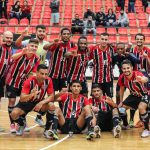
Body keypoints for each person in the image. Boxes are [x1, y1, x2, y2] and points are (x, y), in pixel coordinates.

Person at [15, 25, 49, 126]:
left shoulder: (46, 44)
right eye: (40, 31)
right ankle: (22, 119)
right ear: (36, 32)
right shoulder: (29, 42)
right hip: (30, 74)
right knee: (27, 98)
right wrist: (22, 36)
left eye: (43, 31)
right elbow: (17, 44)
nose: (41, 33)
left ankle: (38, 117)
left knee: (41, 98)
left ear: (45, 33)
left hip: (41, 74)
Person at [6, 39, 40, 133]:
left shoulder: (36, 58)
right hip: (12, 80)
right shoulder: (21, 51)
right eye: (32, 46)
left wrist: (32, 83)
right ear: (28, 46)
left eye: (35, 47)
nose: (33, 48)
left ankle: (22, 122)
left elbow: (33, 72)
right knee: (12, 101)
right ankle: (12, 123)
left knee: (23, 101)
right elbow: (12, 57)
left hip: (23, 82)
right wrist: (22, 53)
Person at [10, 64, 55, 136]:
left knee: (52, 105)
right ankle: (22, 123)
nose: (44, 76)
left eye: (46, 74)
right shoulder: (29, 81)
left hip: (39, 102)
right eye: (42, 73)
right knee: (13, 114)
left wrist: (41, 103)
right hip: (26, 102)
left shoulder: (48, 80)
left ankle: (47, 130)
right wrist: (31, 95)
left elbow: (52, 96)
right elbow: (22, 98)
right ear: (37, 73)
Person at [118, 59, 150, 138]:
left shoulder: (137, 74)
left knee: (141, 107)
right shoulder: (122, 77)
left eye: (128, 68)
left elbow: (145, 79)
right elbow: (121, 90)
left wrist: (142, 79)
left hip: (145, 94)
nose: (126, 70)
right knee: (121, 108)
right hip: (134, 95)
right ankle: (126, 125)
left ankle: (147, 130)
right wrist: (121, 101)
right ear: (122, 69)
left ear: (132, 68)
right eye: (124, 69)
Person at [113, 43, 140, 128]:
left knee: (135, 99)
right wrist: (121, 101)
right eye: (118, 49)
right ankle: (122, 118)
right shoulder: (115, 56)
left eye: (122, 49)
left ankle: (132, 119)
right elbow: (111, 63)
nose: (120, 50)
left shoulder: (129, 55)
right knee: (118, 96)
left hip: (134, 80)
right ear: (116, 50)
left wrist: (129, 55)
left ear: (125, 49)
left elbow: (137, 61)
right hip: (124, 79)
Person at [44, 28, 76, 92]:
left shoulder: (72, 44)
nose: (66, 35)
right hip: (52, 75)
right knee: (51, 95)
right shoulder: (56, 43)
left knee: (63, 95)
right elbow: (45, 47)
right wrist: (53, 43)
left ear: (70, 35)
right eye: (64, 34)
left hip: (64, 75)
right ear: (61, 35)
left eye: (68, 34)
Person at [89, 32, 114, 98]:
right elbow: (87, 58)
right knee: (95, 98)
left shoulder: (112, 49)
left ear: (108, 40)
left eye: (106, 39)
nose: (104, 41)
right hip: (96, 79)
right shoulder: (94, 49)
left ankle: (109, 108)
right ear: (99, 39)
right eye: (102, 39)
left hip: (108, 79)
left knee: (109, 98)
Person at [0, 31, 13, 132]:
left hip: (2, 79)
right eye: (7, 38)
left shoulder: (10, 49)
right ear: (3, 38)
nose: (9, 40)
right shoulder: (1, 47)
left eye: (10, 38)